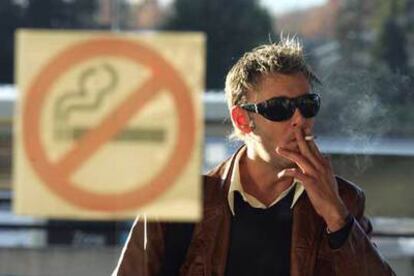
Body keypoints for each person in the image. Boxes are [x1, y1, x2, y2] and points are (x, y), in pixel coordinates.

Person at [113, 37, 395, 276]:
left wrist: (336, 216)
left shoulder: (343, 201)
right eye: (280, 108)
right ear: (242, 120)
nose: (299, 119)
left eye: (308, 105)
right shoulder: (177, 204)